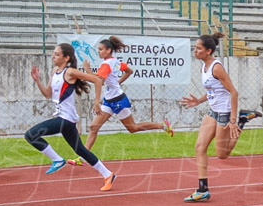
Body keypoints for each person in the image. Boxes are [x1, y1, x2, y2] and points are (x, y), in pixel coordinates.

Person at [179, 32, 261, 202]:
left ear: (208, 51)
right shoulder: (204, 67)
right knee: (199, 147)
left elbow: (233, 92)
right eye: (195, 48)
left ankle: (242, 120)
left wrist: (232, 121)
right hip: (213, 111)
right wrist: (199, 101)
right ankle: (203, 189)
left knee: (222, 155)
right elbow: (213, 90)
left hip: (225, 112)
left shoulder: (217, 67)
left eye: (198, 48)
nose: (195, 51)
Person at [66, 35, 173, 164]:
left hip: (118, 100)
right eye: (98, 49)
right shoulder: (115, 61)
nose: (98, 51)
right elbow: (129, 71)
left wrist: (88, 70)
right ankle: (82, 158)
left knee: (132, 128)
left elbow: (99, 81)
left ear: (108, 50)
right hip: (109, 100)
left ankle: (162, 126)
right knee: (94, 127)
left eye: (101, 49)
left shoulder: (106, 64)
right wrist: (117, 83)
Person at [26, 43, 117, 191]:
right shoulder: (55, 71)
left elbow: (97, 80)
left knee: (30, 135)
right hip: (64, 119)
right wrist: (37, 80)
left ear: (66, 58)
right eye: (53, 53)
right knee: (80, 150)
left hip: (65, 119)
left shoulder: (70, 72)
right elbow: (48, 94)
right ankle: (108, 174)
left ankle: (57, 159)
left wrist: (96, 102)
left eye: (57, 54)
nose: (53, 56)